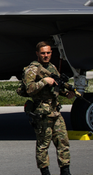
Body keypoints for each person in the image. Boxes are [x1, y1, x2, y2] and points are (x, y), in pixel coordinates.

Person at [23, 41, 75, 175]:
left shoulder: (52, 67)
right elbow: (29, 89)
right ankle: (45, 172)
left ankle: (65, 171)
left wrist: (66, 93)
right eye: (43, 53)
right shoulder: (32, 69)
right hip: (42, 113)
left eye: (48, 53)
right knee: (43, 146)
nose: (46, 55)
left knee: (63, 143)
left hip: (55, 111)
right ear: (37, 54)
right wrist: (44, 81)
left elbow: (55, 87)